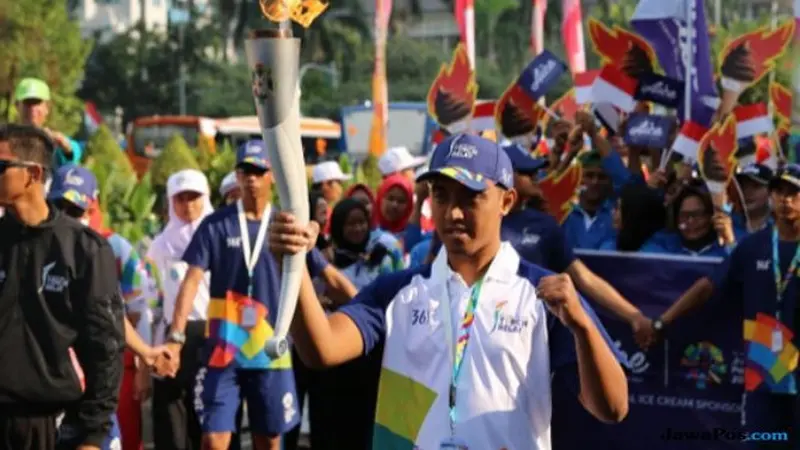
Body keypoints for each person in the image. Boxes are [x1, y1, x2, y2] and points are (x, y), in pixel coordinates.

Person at [270, 134, 628, 449]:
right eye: (441, 196)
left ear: (506, 201)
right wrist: (295, 262)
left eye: (470, 197)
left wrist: (582, 327)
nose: (453, 212)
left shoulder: (542, 295)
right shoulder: (398, 291)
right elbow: (322, 349)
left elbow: (612, 408)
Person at [165, 141, 354, 450]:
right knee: (213, 441)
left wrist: (370, 313)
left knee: (269, 440)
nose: (251, 179)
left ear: (272, 177)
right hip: (223, 351)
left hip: (270, 350)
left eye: (258, 171)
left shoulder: (285, 226)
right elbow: (191, 281)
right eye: (245, 171)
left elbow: (329, 277)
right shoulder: (216, 224)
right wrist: (175, 336)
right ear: (237, 177)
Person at [642, 164, 800, 449]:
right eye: (779, 192)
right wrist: (662, 321)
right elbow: (707, 288)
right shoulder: (754, 246)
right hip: (764, 375)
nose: (786, 200)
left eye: (794, 193)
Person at [0, 124, 124, 449]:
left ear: (33, 174)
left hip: (49, 425)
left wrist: (94, 435)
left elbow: (105, 347)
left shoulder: (84, 249)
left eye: (1, 166)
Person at [48, 164, 174, 450]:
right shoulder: (32, 248)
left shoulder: (111, 249)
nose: (67, 218)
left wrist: (144, 356)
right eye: (59, 207)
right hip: (49, 386)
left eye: (75, 210)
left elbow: (120, 311)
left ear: (91, 206)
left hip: (98, 382)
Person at [500, 142, 653, 347]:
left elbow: (583, 277)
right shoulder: (477, 220)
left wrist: (633, 315)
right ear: (505, 177)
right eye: (527, 172)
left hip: (529, 335)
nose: (537, 175)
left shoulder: (544, 225)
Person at [146, 169, 215, 450]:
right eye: (180, 198)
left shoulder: (218, 238)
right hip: (170, 338)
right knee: (170, 421)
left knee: (207, 420)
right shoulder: (160, 247)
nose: (188, 205)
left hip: (211, 334)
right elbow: (151, 298)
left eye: (194, 197)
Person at [640, 184, 735, 257]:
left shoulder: (727, 243)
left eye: (697, 214)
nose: (690, 221)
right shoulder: (662, 242)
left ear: (710, 216)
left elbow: (744, 272)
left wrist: (730, 243)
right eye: (684, 215)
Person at [14, 78, 82, 169]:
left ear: (47, 108)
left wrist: (66, 147)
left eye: (37, 103)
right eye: (28, 103)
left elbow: (72, 154)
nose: (32, 109)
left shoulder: (53, 143)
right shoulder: (5, 139)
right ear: (17, 106)